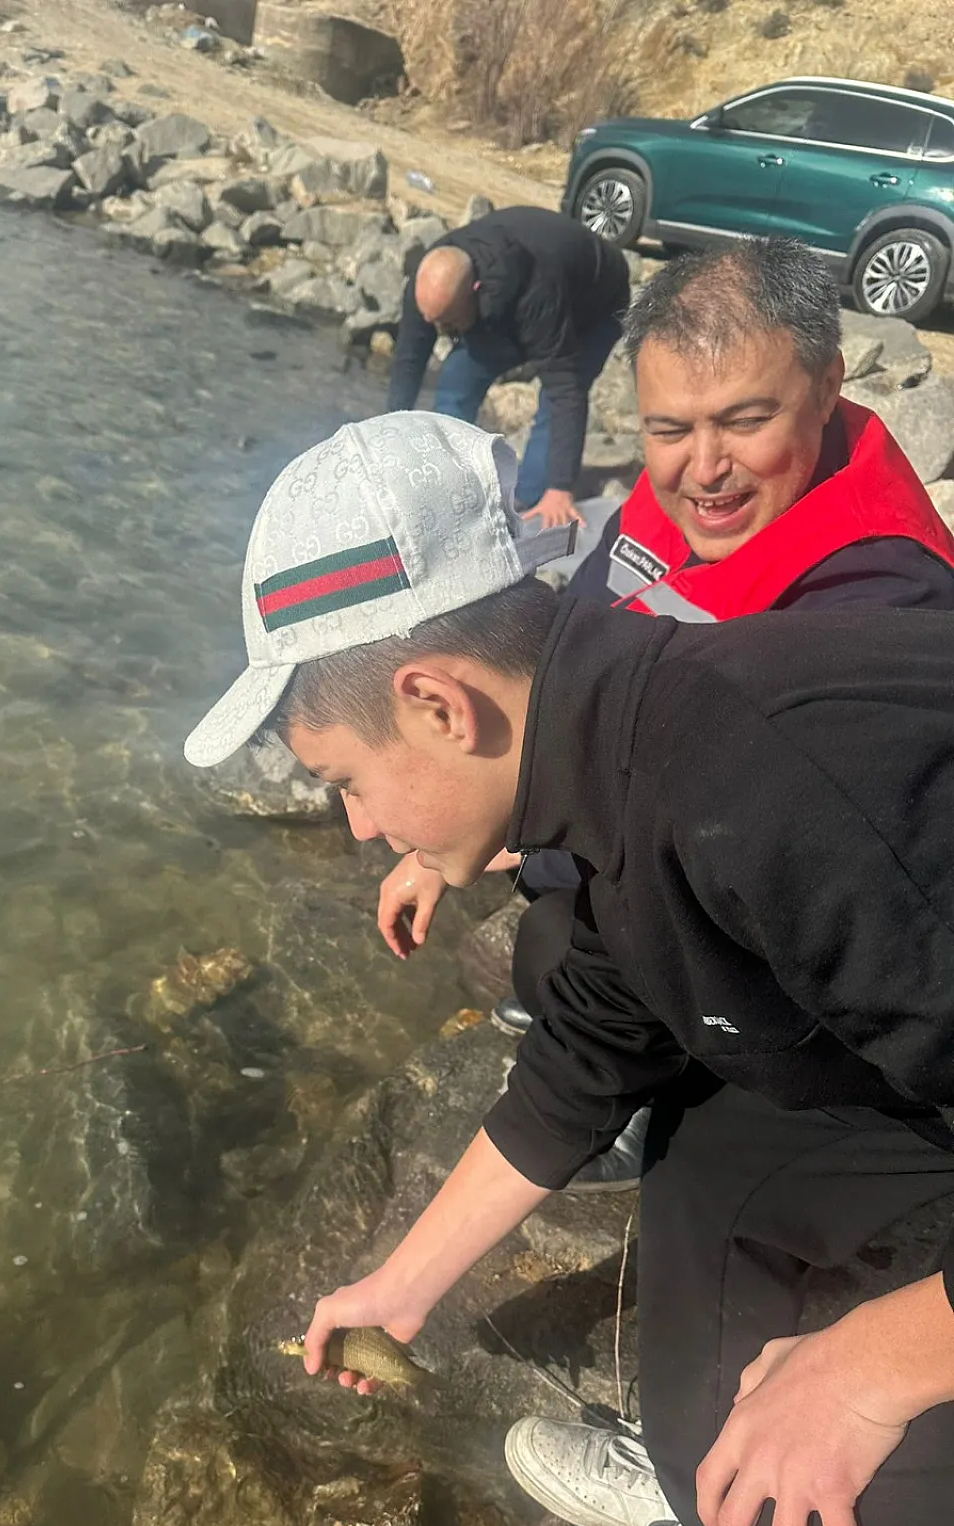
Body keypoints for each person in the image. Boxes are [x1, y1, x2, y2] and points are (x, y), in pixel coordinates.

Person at [183, 409, 954, 1526]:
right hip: (900, 1093)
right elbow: (585, 1063)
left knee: (812, 1518)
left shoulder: (785, 789)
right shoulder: (617, 754)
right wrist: (402, 1285)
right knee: (701, 1145)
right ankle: (703, 1490)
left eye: (347, 782)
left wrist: (872, 1364)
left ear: (437, 699)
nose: (361, 825)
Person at [377, 237, 954, 1188]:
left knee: (553, 952)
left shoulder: (876, 600)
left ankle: (681, 1101)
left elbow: (768, 860)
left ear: (828, 381)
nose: (705, 469)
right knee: (547, 934)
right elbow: (574, 662)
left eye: (746, 420)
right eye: (669, 429)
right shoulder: (684, 494)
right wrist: (453, 823)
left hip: (788, 940)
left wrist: (518, 836)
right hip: (665, 834)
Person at [386, 205, 630, 529]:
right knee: (456, 382)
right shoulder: (431, 281)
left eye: (447, 322)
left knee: (554, 399)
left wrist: (560, 486)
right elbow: (408, 359)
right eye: (435, 323)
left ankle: (527, 502)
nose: (441, 332)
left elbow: (564, 390)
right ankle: (441, 479)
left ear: (473, 291)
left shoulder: (539, 296)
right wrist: (385, 437)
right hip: (503, 295)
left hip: (595, 303)